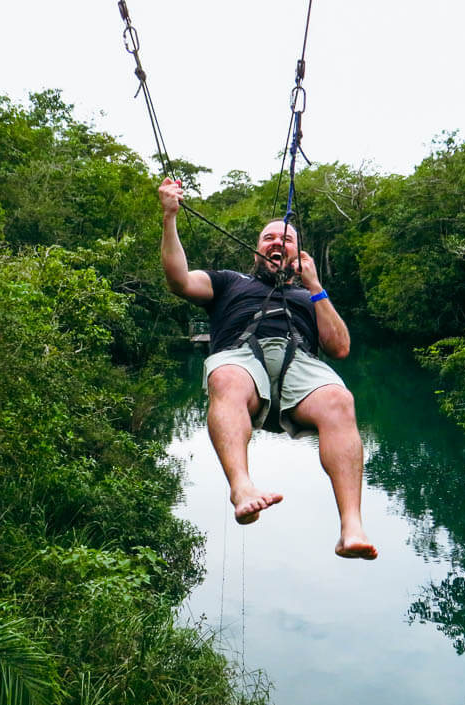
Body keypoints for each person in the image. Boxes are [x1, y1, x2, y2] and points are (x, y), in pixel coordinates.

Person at [158, 177, 378, 560]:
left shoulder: (309, 294)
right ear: (257, 250)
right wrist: (169, 216)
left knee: (341, 400)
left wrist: (315, 286)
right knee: (224, 377)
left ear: (297, 253)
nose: (277, 242)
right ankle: (242, 487)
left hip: (301, 366)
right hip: (242, 360)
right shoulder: (230, 282)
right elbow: (179, 281)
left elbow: (339, 347)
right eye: (269, 238)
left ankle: (351, 528)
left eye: (286, 239)